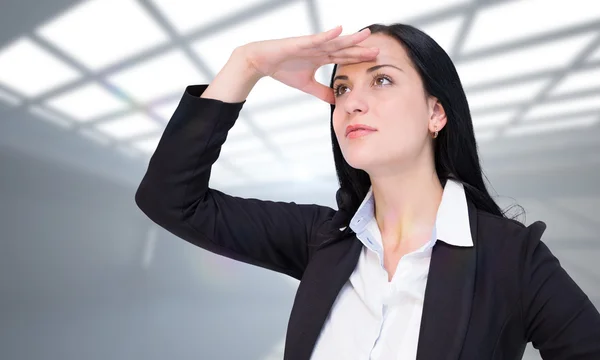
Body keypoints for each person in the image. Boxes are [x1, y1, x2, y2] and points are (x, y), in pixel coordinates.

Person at [135, 23, 600, 360]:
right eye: (341, 88)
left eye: (381, 80)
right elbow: (171, 199)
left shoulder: (511, 258)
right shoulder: (322, 238)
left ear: (436, 113)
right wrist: (249, 63)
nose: (351, 101)